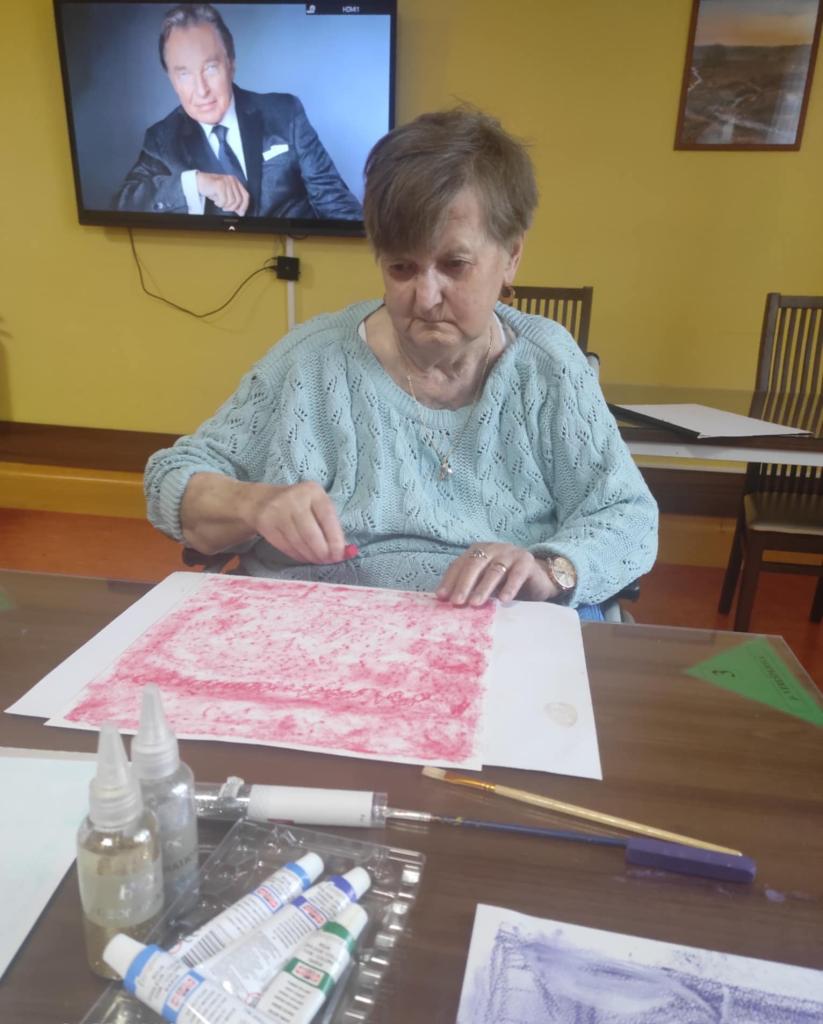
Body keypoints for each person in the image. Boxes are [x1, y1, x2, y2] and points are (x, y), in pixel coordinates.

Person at [145, 108, 658, 619]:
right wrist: (251, 504)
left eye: (454, 265)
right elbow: (170, 478)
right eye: (401, 268)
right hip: (320, 627)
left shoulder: (546, 365)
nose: (426, 297)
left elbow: (627, 515)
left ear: (512, 256)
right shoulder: (312, 362)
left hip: (495, 628)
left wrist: (551, 569)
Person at [115, 3, 362, 220]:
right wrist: (195, 183)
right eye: (184, 73)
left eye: (210, 68)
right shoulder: (161, 139)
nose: (201, 90)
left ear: (231, 63)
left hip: (295, 251)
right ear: (171, 78)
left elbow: (336, 204)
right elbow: (124, 204)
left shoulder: (286, 113)